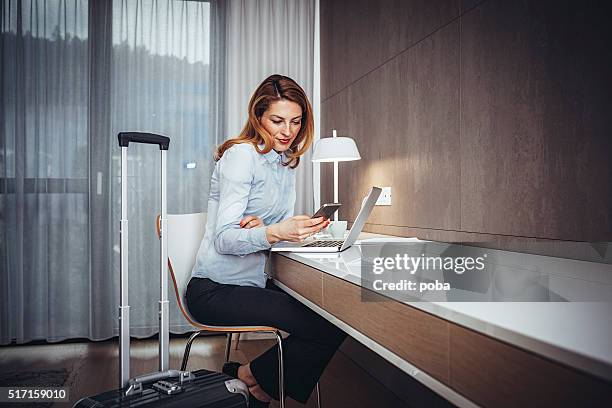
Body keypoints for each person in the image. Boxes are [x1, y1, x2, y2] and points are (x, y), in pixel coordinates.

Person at [186, 74, 347, 406]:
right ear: (258, 117)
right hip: (214, 289)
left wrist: (273, 229)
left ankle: (250, 377)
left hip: (251, 284)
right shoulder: (241, 156)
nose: (287, 131)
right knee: (327, 325)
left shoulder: (284, 164)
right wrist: (275, 231)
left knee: (336, 316)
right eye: (277, 120)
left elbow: (261, 235)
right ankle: (251, 377)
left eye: (296, 121)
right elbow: (224, 240)